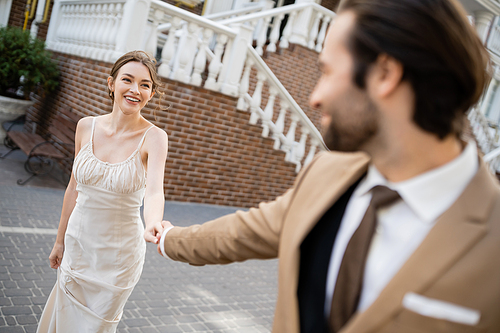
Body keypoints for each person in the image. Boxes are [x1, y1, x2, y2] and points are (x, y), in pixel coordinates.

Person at [157, 0, 500, 332]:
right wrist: (169, 238)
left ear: (385, 74)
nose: (315, 96)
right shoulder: (326, 173)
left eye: (326, 71)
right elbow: (240, 233)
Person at [37, 50, 168, 332]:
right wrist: (59, 241)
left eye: (145, 85)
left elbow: (155, 191)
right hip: (78, 248)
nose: (135, 90)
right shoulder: (86, 126)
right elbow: (73, 187)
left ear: (152, 94)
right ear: (111, 84)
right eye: (128, 80)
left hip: (118, 261)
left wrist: (154, 223)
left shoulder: (155, 138)